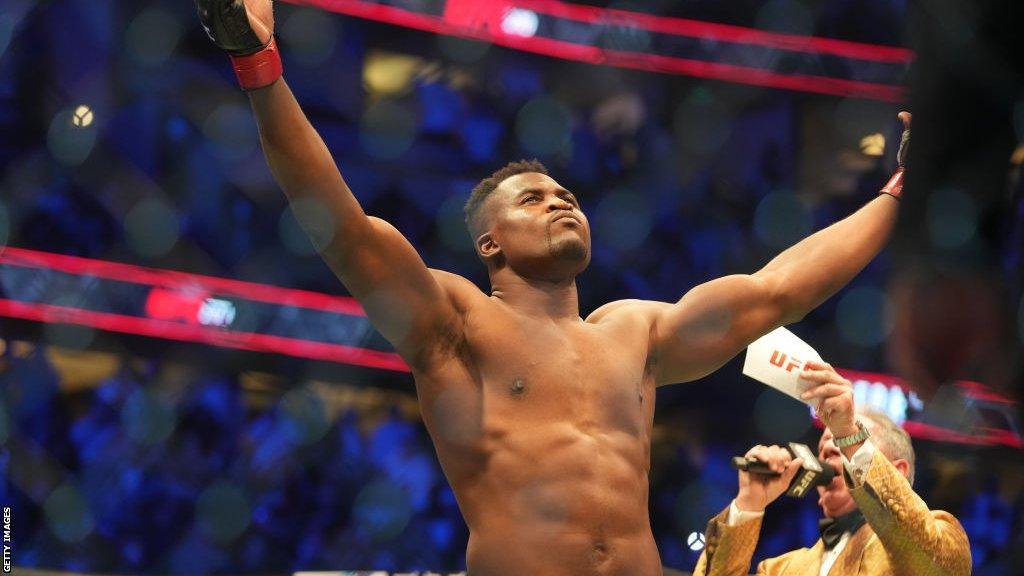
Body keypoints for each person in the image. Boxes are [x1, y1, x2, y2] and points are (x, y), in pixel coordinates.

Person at [194, 1, 911, 572]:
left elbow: (774, 292)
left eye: (567, 194)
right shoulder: (454, 322)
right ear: (489, 243)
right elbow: (341, 225)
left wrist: (900, 192)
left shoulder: (637, 331)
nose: (561, 202)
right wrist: (259, 66)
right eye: (533, 200)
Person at [693, 360, 971, 576]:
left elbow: (934, 564)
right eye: (826, 444)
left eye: (843, 441)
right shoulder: (782, 568)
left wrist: (848, 433)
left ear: (897, 471)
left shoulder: (941, 533)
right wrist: (749, 502)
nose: (827, 447)